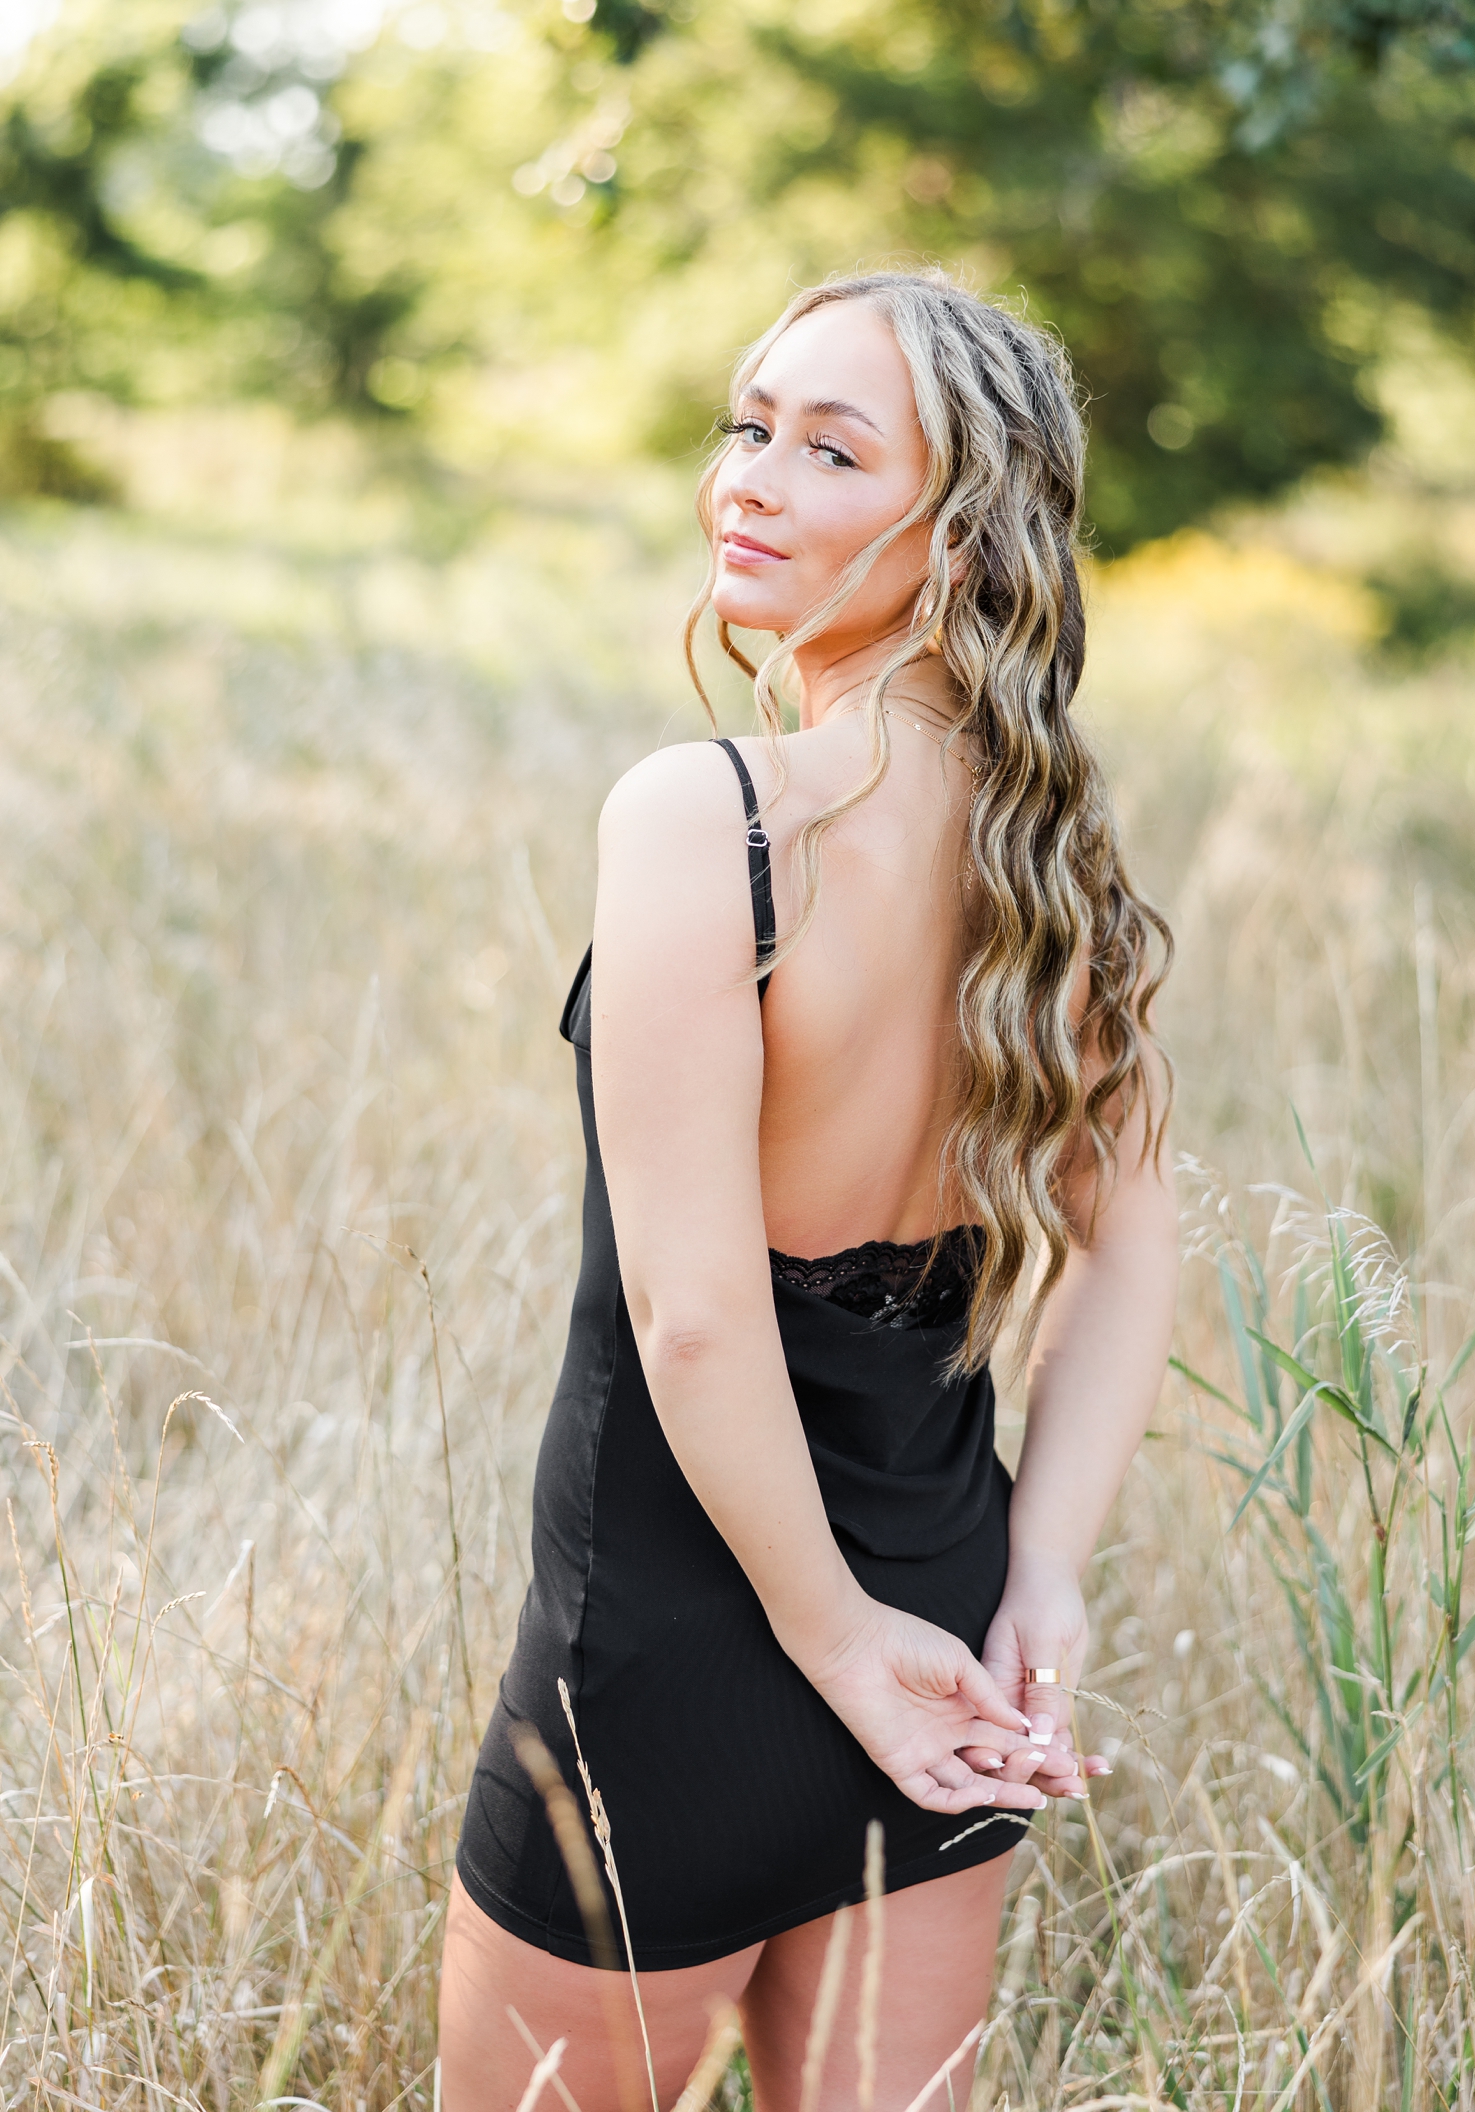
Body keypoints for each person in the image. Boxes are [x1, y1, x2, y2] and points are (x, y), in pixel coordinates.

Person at [438, 269, 1178, 2111]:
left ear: (963, 527)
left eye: (831, 447)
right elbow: (1134, 1264)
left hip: (680, 1656)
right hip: (953, 1642)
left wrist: (835, 1640)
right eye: (748, 424)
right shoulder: (1056, 858)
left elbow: (697, 1319)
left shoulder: (710, 814)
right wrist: (1043, 1584)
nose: (749, 481)